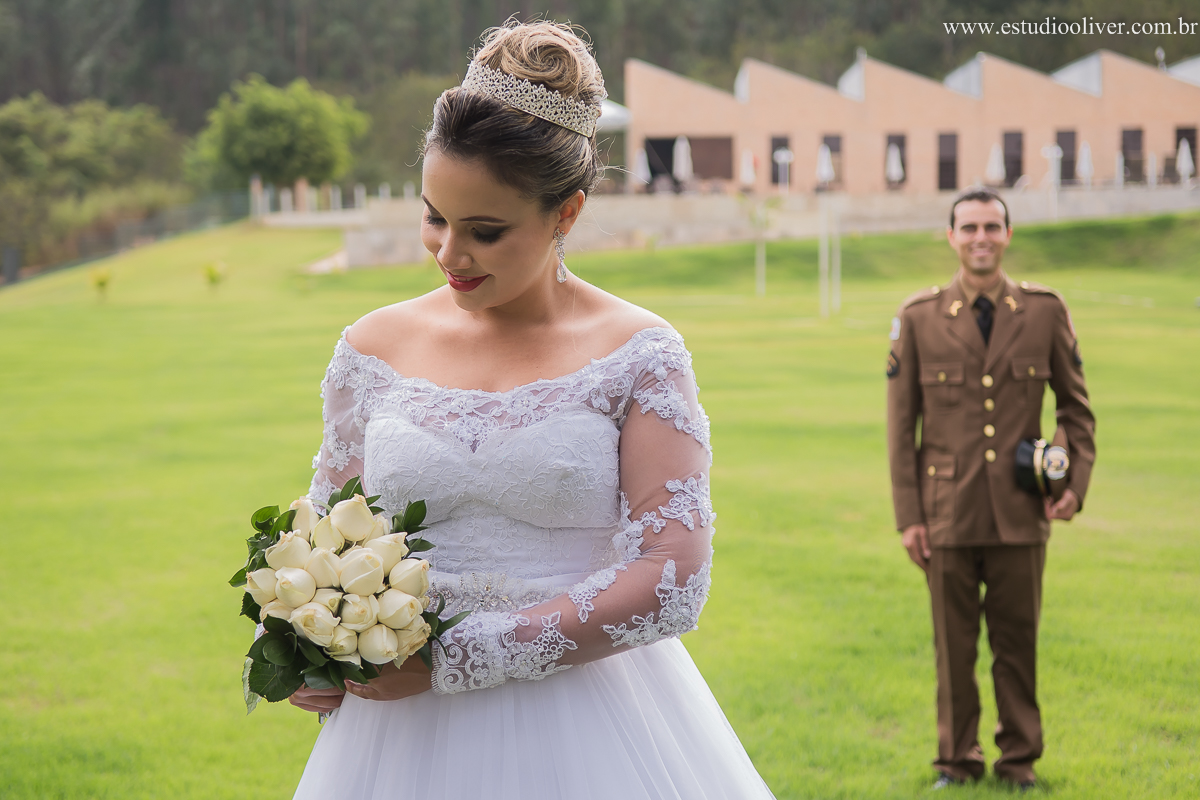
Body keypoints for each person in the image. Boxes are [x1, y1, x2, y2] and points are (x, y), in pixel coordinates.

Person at [286, 21, 775, 799]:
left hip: (588, 722)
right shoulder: (372, 347)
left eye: (485, 231)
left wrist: (450, 660)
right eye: (434, 217)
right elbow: (327, 528)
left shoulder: (638, 353)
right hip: (395, 738)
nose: (449, 254)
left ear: (566, 213)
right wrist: (305, 636)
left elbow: (672, 575)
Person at [886, 189, 1096, 791]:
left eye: (992, 226)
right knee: (953, 650)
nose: (981, 237)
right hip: (945, 512)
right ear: (951, 236)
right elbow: (901, 429)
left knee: (1017, 643)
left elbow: (1076, 410)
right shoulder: (920, 317)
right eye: (970, 227)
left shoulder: (1044, 312)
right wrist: (910, 517)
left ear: (1008, 234)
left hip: (1020, 509)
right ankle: (956, 761)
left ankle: (1019, 761)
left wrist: (1071, 482)